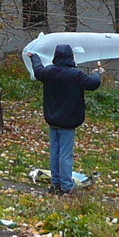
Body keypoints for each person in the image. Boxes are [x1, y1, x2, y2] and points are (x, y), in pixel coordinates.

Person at [30, 42, 101, 194]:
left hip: (52, 119)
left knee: (54, 152)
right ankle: (66, 187)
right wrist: (96, 72)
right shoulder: (75, 75)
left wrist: (34, 57)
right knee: (65, 155)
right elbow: (93, 83)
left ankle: (55, 184)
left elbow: (37, 70)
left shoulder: (48, 72)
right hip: (68, 121)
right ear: (70, 57)